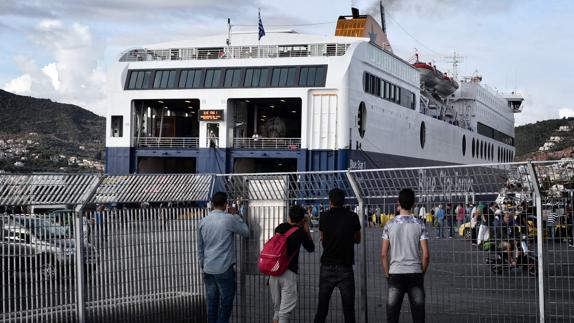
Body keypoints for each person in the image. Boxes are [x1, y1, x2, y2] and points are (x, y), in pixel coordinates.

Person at [198, 192, 249, 323]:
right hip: (224, 268)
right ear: (226, 204)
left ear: (212, 205)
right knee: (226, 305)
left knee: (212, 305)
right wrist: (236, 215)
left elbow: (200, 247)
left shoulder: (203, 221)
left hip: (208, 269)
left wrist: (203, 264)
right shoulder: (229, 219)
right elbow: (246, 232)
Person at [381, 188, 430, 323]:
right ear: (413, 203)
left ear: (398, 202)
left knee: (392, 315)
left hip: (395, 272)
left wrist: (387, 273)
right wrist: (421, 272)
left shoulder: (389, 224)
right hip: (415, 272)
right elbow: (426, 255)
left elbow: (384, 254)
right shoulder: (420, 224)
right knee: (418, 315)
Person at [314, 188, 361, 323]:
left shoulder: (324, 216)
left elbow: (322, 237)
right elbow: (358, 239)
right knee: (348, 310)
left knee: (322, 309)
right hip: (345, 266)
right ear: (343, 201)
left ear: (330, 201)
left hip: (327, 265)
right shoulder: (352, 217)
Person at [269, 206, 315, 323]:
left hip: (274, 271)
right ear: (301, 219)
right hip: (289, 273)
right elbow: (311, 248)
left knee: (277, 311)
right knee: (284, 314)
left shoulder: (279, 228)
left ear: (289, 216)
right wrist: (306, 228)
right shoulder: (300, 232)